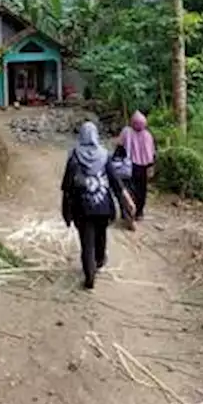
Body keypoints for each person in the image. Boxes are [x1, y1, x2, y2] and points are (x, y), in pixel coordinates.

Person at [61, 122, 126, 290]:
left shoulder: (74, 156)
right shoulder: (104, 156)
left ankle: (89, 274)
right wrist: (124, 202)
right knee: (101, 235)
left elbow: (67, 187)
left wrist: (66, 212)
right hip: (102, 205)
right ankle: (98, 260)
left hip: (81, 207)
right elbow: (115, 182)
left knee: (86, 241)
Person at [121, 111, 155, 221]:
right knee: (142, 190)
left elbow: (119, 144)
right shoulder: (147, 135)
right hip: (143, 167)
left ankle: (127, 211)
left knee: (129, 189)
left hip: (128, 166)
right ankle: (139, 212)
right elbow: (151, 153)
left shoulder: (126, 132)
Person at [109, 135, 136, 230]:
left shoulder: (112, 158)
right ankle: (129, 216)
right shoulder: (128, 158)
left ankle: (123, 215)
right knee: (129, 197)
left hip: (117, 180)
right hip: (127, 179)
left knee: (119, 198)